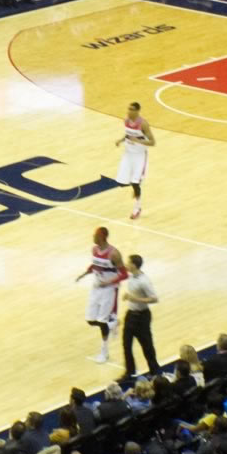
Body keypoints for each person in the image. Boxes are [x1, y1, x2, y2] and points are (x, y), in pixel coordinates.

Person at [76, 227, 128, 365]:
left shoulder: (114, 254)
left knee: (102, 321)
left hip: (109, 289)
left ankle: (104, 352)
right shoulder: (94, 249)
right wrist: (84, 273)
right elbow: (95, 265)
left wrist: (109, 282)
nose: (93, 236)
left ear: (102, 237)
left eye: (95, 235)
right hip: (96, 287)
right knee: (90, 320)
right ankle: (114, 323)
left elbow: (124, 274)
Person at [119, 253, 160, 379]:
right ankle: (129, 371)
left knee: (146, 345)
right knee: (126, 344)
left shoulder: (144, 281)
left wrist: (134, 298)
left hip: (142, 317)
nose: (126, 264)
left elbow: (154, 299)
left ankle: (154, 371)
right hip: (131, 314)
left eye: (128, 262)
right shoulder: (132, 276)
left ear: (134, 265)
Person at [114, 101, 156, 220]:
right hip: (128, 154)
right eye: (128, 109)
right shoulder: (126, 121)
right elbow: (128, 134)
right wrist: (120, 140)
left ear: (137, 111)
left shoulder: (143, 124)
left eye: (132, 109)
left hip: (139, 155)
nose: (129, 111)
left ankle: (137, 208)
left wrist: (137, 141)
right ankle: (136, 184)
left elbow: (152, 142)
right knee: (121, 182)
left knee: (135, 183)